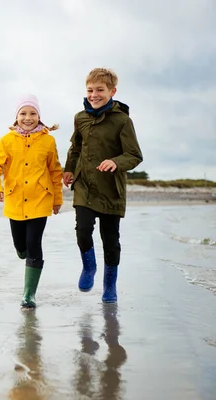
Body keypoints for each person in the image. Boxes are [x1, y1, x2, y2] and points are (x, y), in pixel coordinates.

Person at [63, 68, 143, 303]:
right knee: (82, 230)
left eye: (100, 90)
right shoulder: (80, 118)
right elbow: (75, 147)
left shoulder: (122, 121)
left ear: (112, 91)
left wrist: (115, 162)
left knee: (110, 239)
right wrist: (69, 169)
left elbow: (134, 155)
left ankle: (110, 285)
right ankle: (89, 268)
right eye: (90, 90)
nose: (94, 95)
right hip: (84, 185)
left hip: (111, 188)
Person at [0, 94, 63, 309]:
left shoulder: (48, 141)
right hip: (14, 200)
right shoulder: (7, 140)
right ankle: (23, 254)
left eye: (32, 113)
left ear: (39, 116)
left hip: (40, 199)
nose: (27, 118)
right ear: (16, 117)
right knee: (21, 246)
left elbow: (55, 171)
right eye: (23, 113)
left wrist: (57, 200)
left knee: (33, 244)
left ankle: (29, 295)